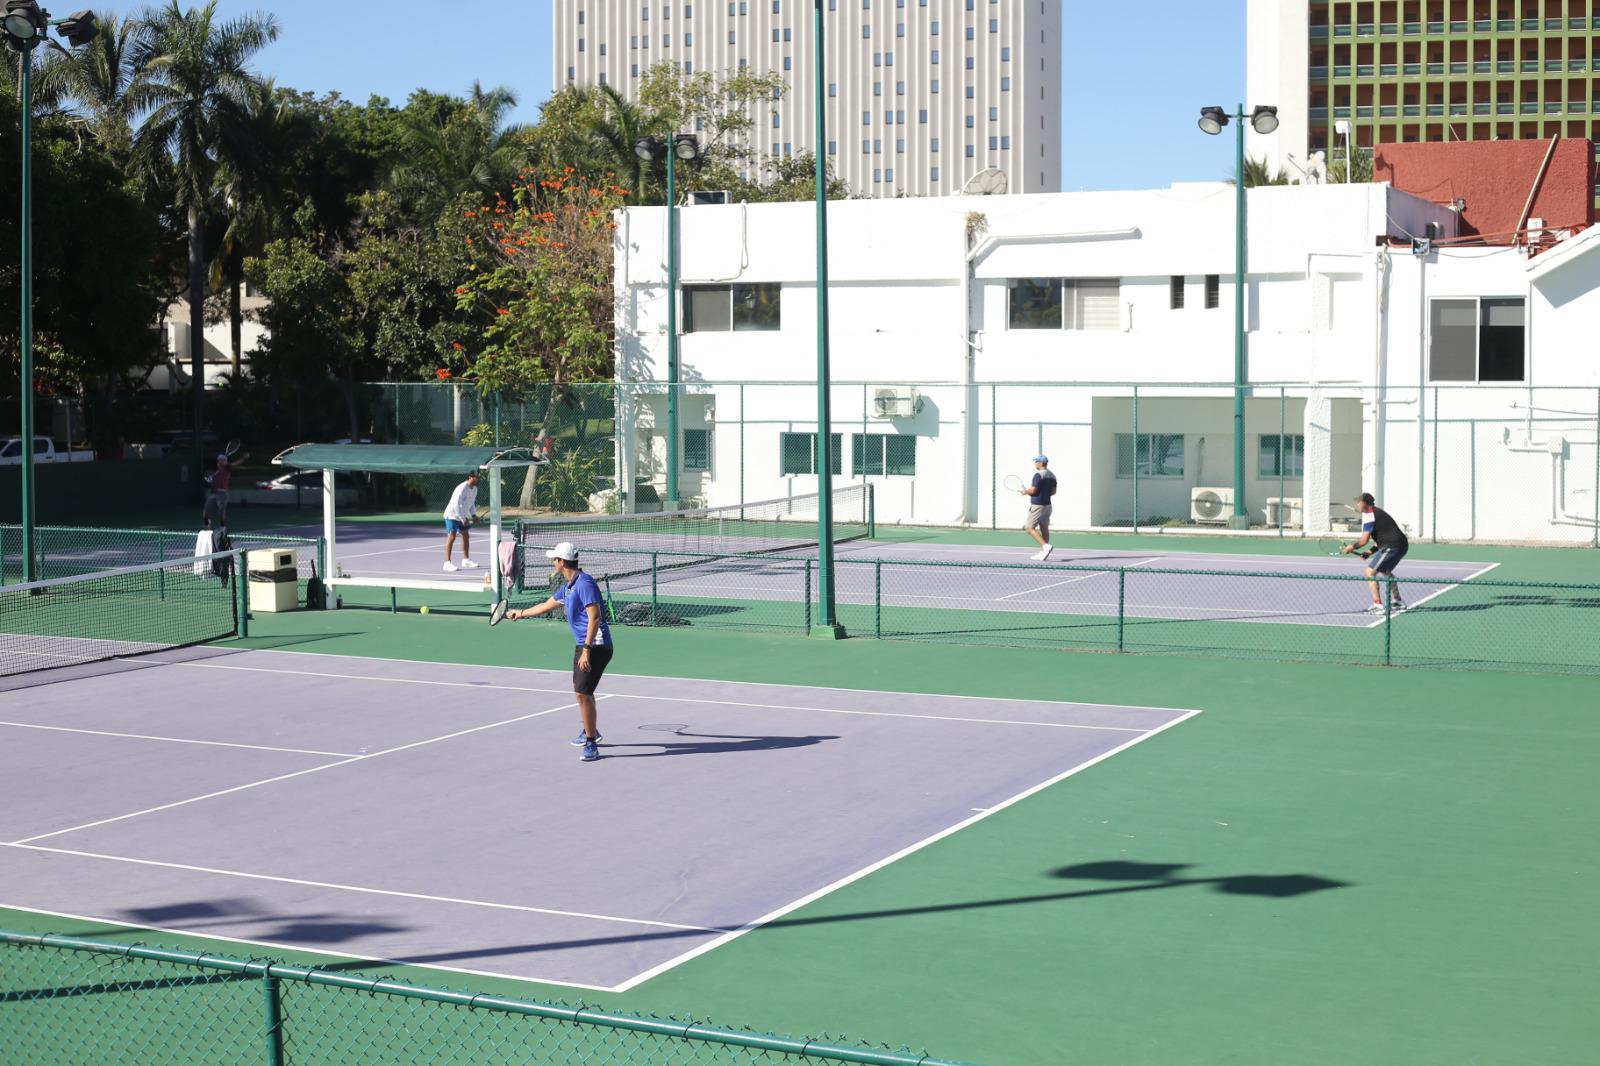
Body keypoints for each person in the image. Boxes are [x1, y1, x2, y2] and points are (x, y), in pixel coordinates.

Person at [505, 541, 613, 762]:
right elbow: (547, 605)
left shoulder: (584, 584)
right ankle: (590, 730)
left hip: (596, 646)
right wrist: (521, 613)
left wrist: (586, 649)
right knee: (584, 691)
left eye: (554, 559)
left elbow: (595, 617)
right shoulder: (569, 586)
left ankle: (591, 743)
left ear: (562, 562)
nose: (553, 562)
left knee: (582, 693)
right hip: (587, 645)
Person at [1343, 492, 1408, 614]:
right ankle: (1398, 601)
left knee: (1369, 572)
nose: (1357, 504)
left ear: (1365, 503)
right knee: (1385, 570)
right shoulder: (1376, 513)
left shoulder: (1369, 515)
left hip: (1392, 546)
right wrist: (1370, 551)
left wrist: (1352, 547)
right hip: (1401, 545)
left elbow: (1363, 540)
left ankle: (1377, 605)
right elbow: (1382, 537)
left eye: (1359, 501)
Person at [1017, 454, 1057, 561]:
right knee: (1044, 528)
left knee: (1029, 527)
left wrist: (1025, 492)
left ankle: (1045, 546)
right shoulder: (1052, 475)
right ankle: (1043, 552)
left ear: (1040, 463)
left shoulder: (1038, 475)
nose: (1035, 463)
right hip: (1047, 506)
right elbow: (1053, 492)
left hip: (1038, 506)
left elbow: (1033, 490)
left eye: (1036, 461)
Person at [442, 473, 480, 572]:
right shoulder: (462, 488)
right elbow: (456, 504)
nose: (478, 479)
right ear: (470, 477)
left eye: (479, 477)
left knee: (466, 536)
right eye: (476, 477)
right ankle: (447, 563)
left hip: (461, 515)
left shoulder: (475, 489)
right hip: (452, 515)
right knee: (452, 536)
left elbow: (471, 504)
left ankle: (466, 560)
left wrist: (474, 515)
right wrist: (462, 518)